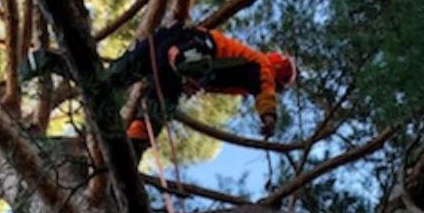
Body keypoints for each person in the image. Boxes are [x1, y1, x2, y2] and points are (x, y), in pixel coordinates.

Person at [20, 24, 297, 160]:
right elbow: (265, 93)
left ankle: (47, 61)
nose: (275, 89)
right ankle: (183, 62)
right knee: (164, 100)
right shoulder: (262, 67)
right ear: (278, 74)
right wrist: (269, 117)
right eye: (279, 86)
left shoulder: (244, 63)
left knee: (107, 83)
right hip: (191, 48)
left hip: (160, 45)